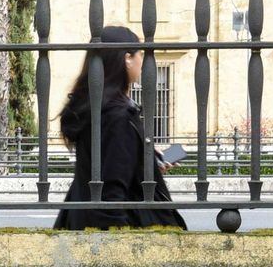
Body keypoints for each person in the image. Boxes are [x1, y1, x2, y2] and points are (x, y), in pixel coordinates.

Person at [54, 25, 187, 231]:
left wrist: (145, 161)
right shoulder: (117, 116)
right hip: (123, 227)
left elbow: (106, 165)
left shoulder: (97, 108)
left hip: (81, 219)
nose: (142, 60)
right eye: (140, 54)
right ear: (127, 58)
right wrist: (118, 244)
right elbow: (111, 191)